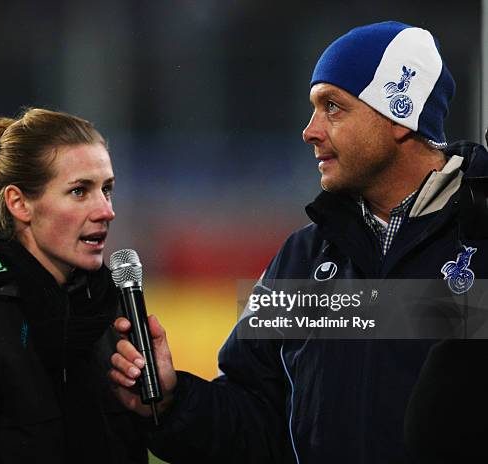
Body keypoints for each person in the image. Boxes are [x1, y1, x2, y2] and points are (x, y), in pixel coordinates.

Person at [109, 21, 488, 463]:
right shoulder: (302, 256)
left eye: (333, 107)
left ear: (398, 116)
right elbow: (255, 418)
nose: (310, 131)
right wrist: (176, 401)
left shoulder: (481, 240)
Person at [0, 108, 147, 463]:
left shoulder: (109, 311)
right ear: (19, 203)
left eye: (106, 189)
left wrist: (165, 402)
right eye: (79, 191)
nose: (105, 210)